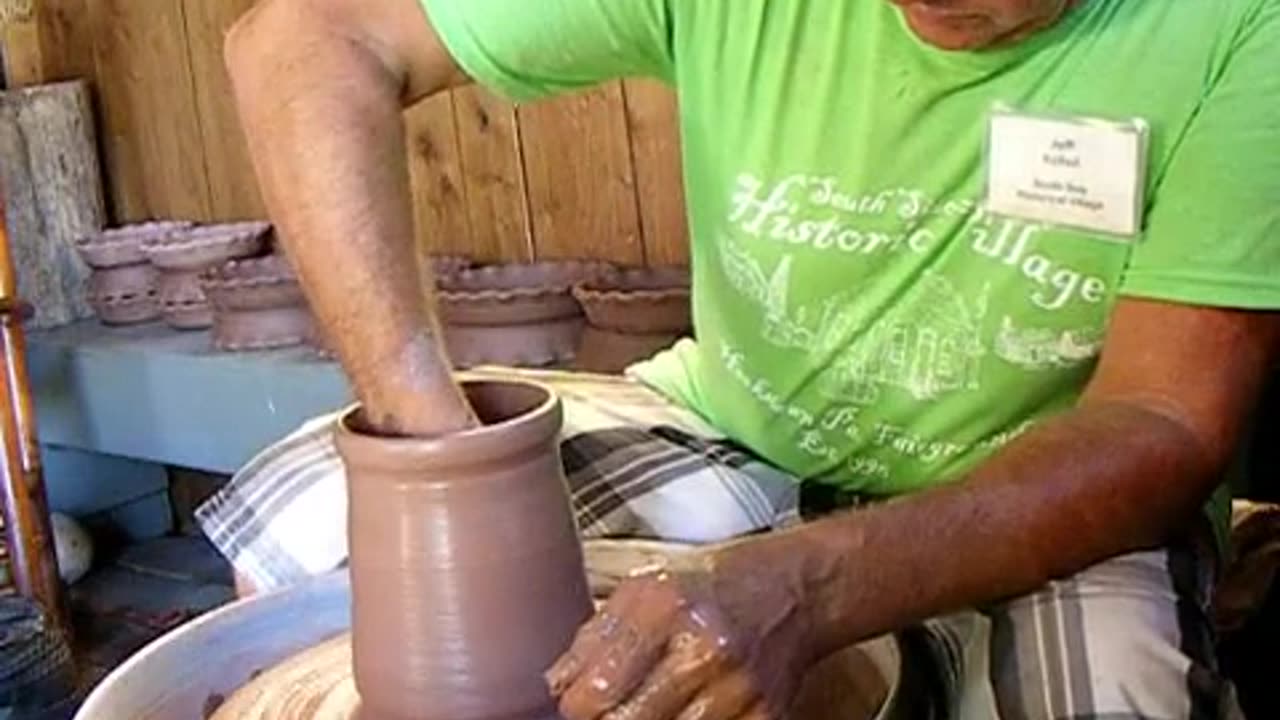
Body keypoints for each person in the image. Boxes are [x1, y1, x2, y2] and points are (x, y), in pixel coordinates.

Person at [198, 0, 1280, 717]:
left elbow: (1167, 423)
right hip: (741, 432)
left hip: (1039, 489)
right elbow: (303, 39)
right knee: (316, 527)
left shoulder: (1241, 23)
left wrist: (809, 589)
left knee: (1118, 697)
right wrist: (432, 442)